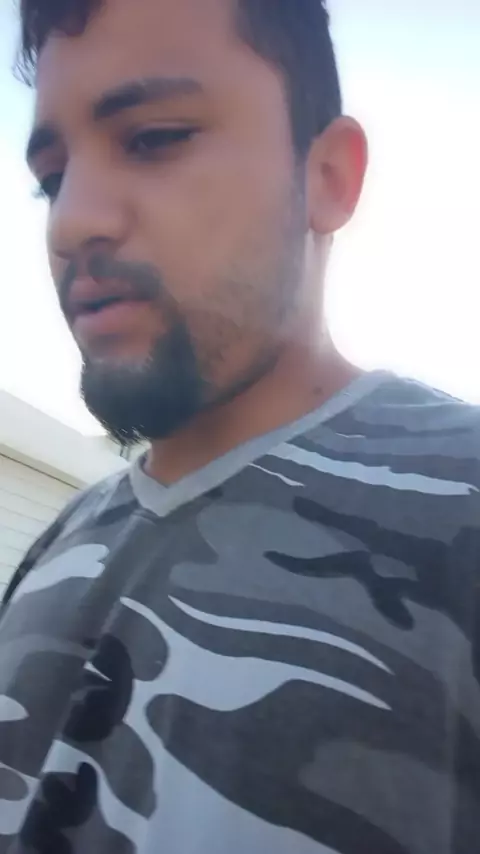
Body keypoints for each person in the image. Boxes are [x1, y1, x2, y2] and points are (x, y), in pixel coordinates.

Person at [0, 0, 478, 851]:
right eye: (51, 177)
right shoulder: (60, 542)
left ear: (328, 176)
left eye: (154, 138)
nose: (71, 222)